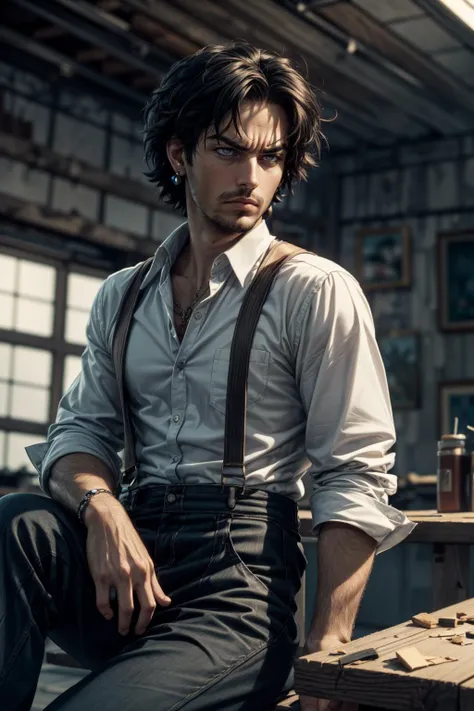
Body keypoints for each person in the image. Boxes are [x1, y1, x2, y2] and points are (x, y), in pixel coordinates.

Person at [0, 42, 414, 711]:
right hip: (129, 577)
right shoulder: (123, 296)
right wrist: (101, 506)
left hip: (240, 589)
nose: (251, 175)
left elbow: (355, 472)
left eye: (270, 156)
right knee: (19, 521)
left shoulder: (313, 289)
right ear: (178, 154)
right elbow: (80, 433)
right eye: (227, 149)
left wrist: (329, 646)